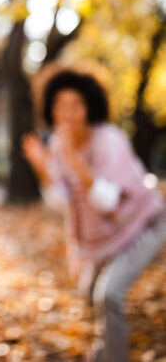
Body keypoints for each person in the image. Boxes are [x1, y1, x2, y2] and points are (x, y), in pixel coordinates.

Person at [22, 68, 166, 362]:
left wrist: (76, 163)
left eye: (76, 106)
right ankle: (105, 351)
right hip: (106, 235)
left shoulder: (108, 140)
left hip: (145, 225)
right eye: (60, 106)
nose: (68, 114)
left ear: (89, 107)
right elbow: (62, 201)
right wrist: (43, 169)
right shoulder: (59, 147)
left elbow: (110, 202)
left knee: (108, 295)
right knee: (89, 292)